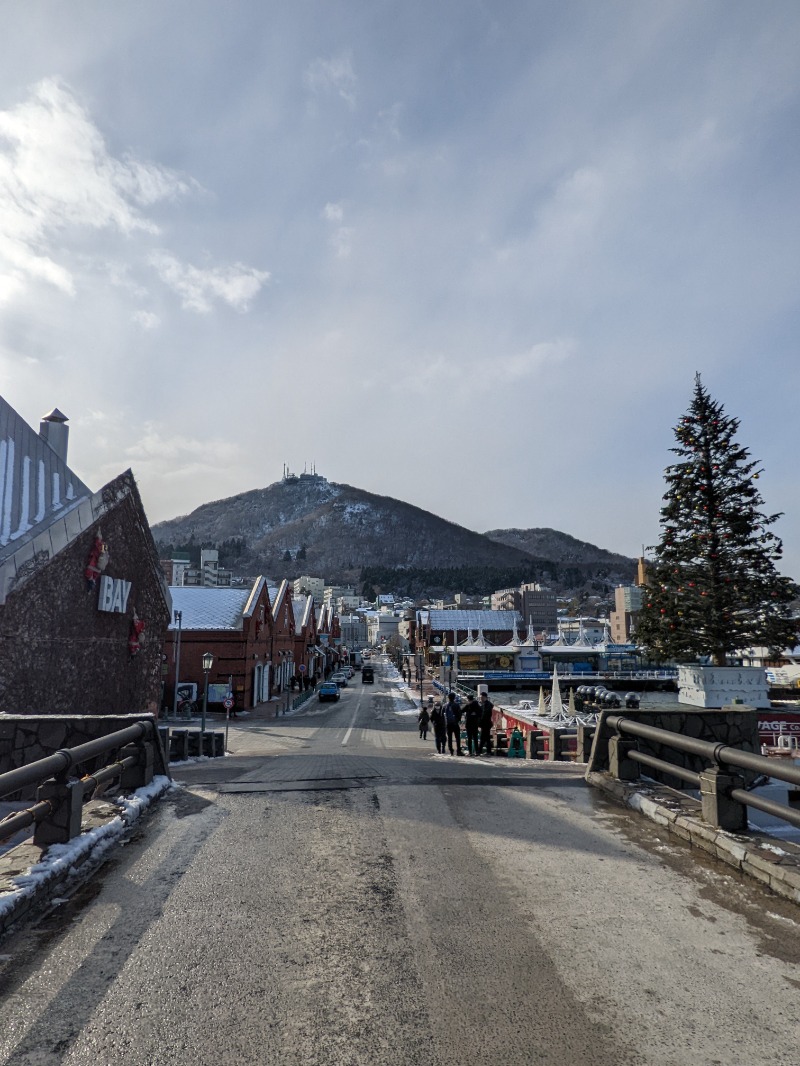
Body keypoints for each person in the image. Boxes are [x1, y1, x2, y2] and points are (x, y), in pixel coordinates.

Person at [444, 692, 463, 756]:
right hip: (455, 723)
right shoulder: (456, 705)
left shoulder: (445, 705)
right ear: (454, 697)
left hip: (448, 724)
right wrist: (458, 720)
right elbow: (459, 714)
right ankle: (458, 751)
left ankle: (451, 751)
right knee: (457, 737)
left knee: (449, 738)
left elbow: (442, 714)